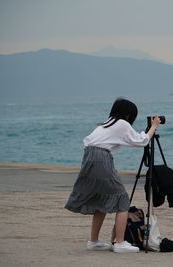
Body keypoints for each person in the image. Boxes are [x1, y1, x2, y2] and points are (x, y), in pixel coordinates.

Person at [64, 97, 161, 253]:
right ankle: (120, 243)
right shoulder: (122, 124)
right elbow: (141, 141)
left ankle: (94, 241)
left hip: (89, 157)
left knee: (101, 200)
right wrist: (154, 126)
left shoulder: (106, 123)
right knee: (122, 199)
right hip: (101, 158)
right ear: (128, 115)